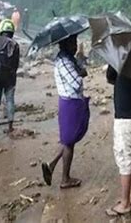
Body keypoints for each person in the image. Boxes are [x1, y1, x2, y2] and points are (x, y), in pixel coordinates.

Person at [41, 35, 90, 189]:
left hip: (69, 102)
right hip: (71, 102)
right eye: (72, 42)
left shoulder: (66, 58)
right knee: (69, 141)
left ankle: (53, 166)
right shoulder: (65, 61)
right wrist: (80, 72)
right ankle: (64, 178)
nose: (75, 45)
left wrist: (80, 66)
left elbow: (81, 72)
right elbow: (76, 82)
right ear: (65, 43)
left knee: (69, 140)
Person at [105, 66, 131, 217]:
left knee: (124, 159)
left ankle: (124, 203)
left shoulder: (119, 58)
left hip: (124, 118)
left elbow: (110, 77)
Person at [0, 19, 20, 136]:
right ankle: (10, 126)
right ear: (12, 31)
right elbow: (16, 63)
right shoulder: (14, 44)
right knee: (10, 100)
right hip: (10, 78)